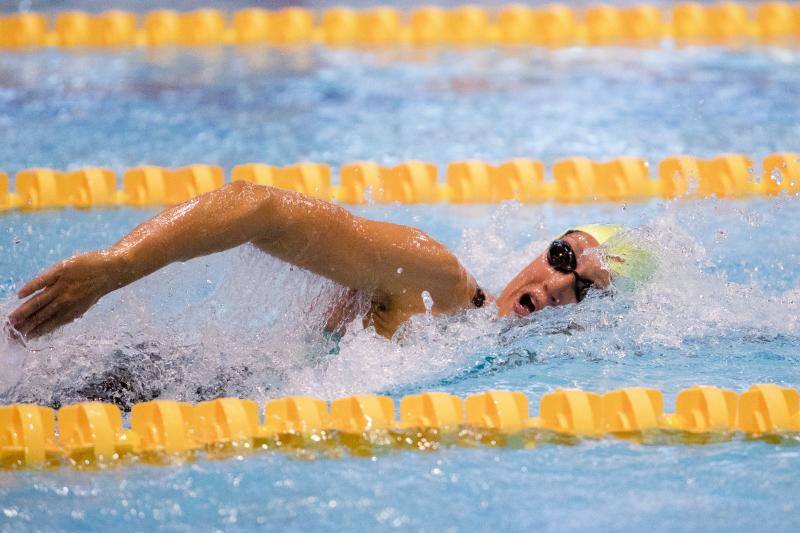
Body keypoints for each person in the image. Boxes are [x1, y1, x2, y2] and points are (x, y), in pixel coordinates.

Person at [7, 181, 653, 341]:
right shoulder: (444, 283)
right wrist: (116, 266)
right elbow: (261, 208)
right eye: (565, 256)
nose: (558, 282)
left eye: (585, 287)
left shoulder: (465, 339)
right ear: (541, 247)